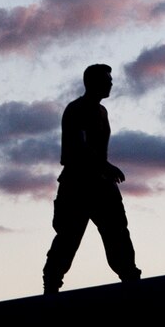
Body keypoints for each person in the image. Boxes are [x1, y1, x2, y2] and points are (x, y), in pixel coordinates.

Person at [42, 64, 143, 292]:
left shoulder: (101, 111)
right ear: (93, 82)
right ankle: (51, 286)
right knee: (68, 238)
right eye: (107, 79)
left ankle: (131, 279)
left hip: (101, 185)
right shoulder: (76, 109)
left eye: (110, 79)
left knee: (118, 235)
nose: (111, 83)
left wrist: (104, 170)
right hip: (77, 185)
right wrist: (104, 166)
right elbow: (78, 147)